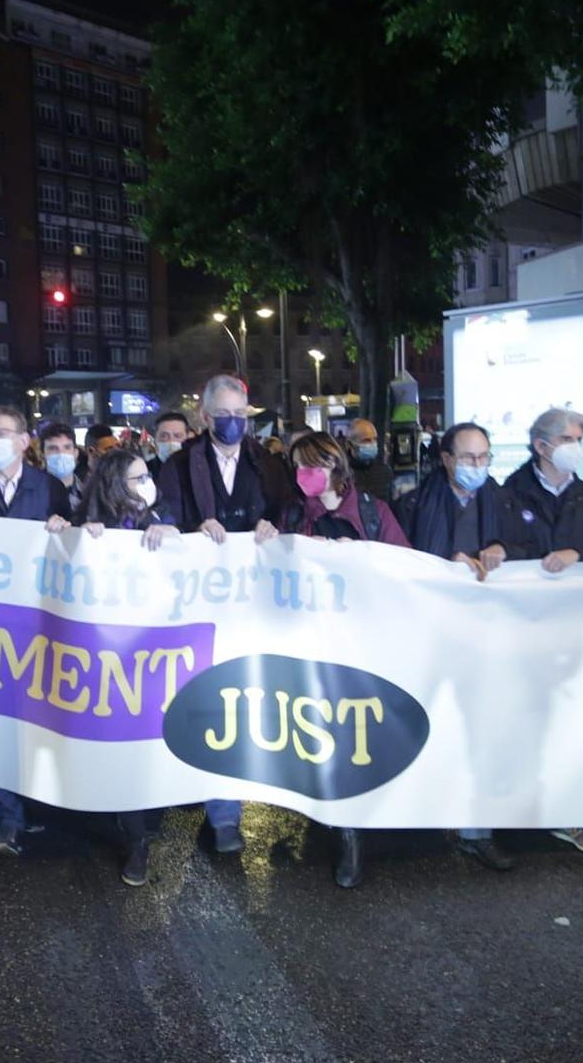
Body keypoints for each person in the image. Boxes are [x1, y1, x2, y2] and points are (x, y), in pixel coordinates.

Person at [154, 374, 294, 854]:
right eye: (225, 416)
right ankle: (221, 812)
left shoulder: (269, 465)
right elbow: (163, 518)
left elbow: (291, 514)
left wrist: (274, 526)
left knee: (246, 697)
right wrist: (192, 530)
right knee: (208, 699)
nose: (234, 424)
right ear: (204, 417)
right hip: (200, 602)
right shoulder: (178, 466)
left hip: (254, 601)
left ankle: (231, 806)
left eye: (241, 416)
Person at [285, 432, 409, 888]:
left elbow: (405, 567)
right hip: (315, 642)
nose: (303, 476)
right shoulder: (295, 514)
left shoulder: (374, 513)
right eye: (297, 467)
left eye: (310, 466)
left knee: (359, 736)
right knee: (329, 738)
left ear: (334, 466)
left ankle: (360, 827)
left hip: (364, 641)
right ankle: (345, 832)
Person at [495, 408, 583, 856]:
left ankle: (571, 809)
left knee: (573, 717)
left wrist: (577, 555)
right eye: (569, 438)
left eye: (580, 438)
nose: (577, 446)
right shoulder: (509, 494)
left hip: (579, 628)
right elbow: (508, 550)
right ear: (541, 446)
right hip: (525, 628)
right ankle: (515, 806)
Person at [0, 404, 73, 855]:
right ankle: (8, 818)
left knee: (40, 714)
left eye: (4, 432)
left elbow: (72, 548)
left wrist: (65, 529)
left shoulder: (49, 488)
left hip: (37, 618)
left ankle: (42, 799)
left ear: (25, 441)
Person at [406, 423, 514, 869]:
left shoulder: (506, 502)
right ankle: (414, 815)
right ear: (446, 459)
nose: (477, 467)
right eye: (468, 458)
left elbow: (535, 547)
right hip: (429, 635)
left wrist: (504, 548)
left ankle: (477, 829)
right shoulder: (413, 504)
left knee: (481, 726)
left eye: (484, 457)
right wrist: (442, 564)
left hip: (488, 637)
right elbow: (398, 557)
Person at [71, 446, 178, 885]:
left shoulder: (163, 514)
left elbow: (191, 562)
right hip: (107, 658)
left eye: (146, 475)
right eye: (136, 479)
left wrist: (170, 534)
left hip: (155, 654)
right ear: (115, 485)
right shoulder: (90, 524)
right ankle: (136, 840)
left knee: (151, 741)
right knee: (122, 744)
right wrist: (68, 534)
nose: (146, 484)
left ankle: (143, 818)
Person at [345, 418, 396, 504]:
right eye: (366, 440)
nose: (372, 444)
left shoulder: (384, 471)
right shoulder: (341, 474)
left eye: (375, 440)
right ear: (349, 444)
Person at [38, 421, 84, 515]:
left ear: (75, 453)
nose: (61, 453)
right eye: (53, 448)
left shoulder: (89, 491)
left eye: (67, 447)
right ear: (42, 455)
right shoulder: (32, 492)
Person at [148, 412, 190, 480]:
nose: (171, 441)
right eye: (164, 436)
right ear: (155, 438)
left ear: (187, 438)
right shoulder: (145, 471)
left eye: (178, 436)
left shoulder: (199, 470)